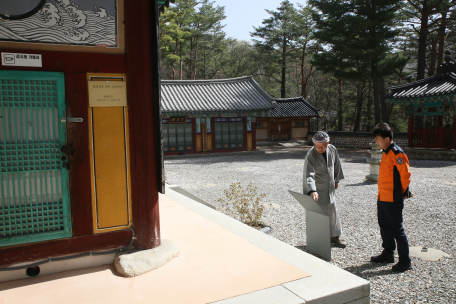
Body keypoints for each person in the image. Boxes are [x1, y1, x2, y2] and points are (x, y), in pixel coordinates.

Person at [371, 122, 412, 272]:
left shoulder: (397, 153)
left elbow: (405, 176)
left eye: (378, 139)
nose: (376, 142)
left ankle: (405, 260)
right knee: (385, 227)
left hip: (393, 198)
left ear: (387, 139)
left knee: (396, 229)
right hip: (382, 196)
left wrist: (401, 193)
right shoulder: (386, 153)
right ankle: (388, 253)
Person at [303, 131, 345, 248]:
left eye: (323, 146)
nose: (320, 149)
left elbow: (337, 165)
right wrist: (312, 190)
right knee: (319, 214)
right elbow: (309, 174)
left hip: (330, 187)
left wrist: (336, 180)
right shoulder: (311, 155)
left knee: (332, 213)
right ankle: (319, 240)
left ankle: (335, 237)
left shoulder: (332, 149)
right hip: (318, 188)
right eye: (317, 146)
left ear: (328, 143)